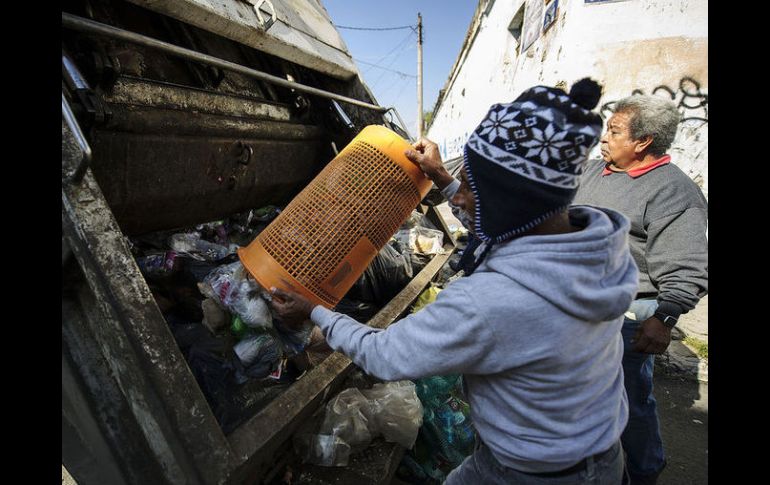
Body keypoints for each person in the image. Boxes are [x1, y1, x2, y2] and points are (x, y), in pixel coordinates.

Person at [270, 80, 639, 484]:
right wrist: (441, 177)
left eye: (471, 188)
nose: (459, 199)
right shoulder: (590, 248)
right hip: (593, 452)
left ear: (506, 201)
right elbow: (495, 222)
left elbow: (384, 355)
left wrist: (314, 310)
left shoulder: (495, 301)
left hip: (538, 473)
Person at [573, 94, 708, 485]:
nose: (604, 138)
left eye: (614, 131)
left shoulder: (672, 192)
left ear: (643, 141)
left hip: (630, 314)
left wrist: (665, 319)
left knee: (628, 396)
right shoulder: (597, 172)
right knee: (583, 391)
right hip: (582, 307)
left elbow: (686, 265)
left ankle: (645, 470)